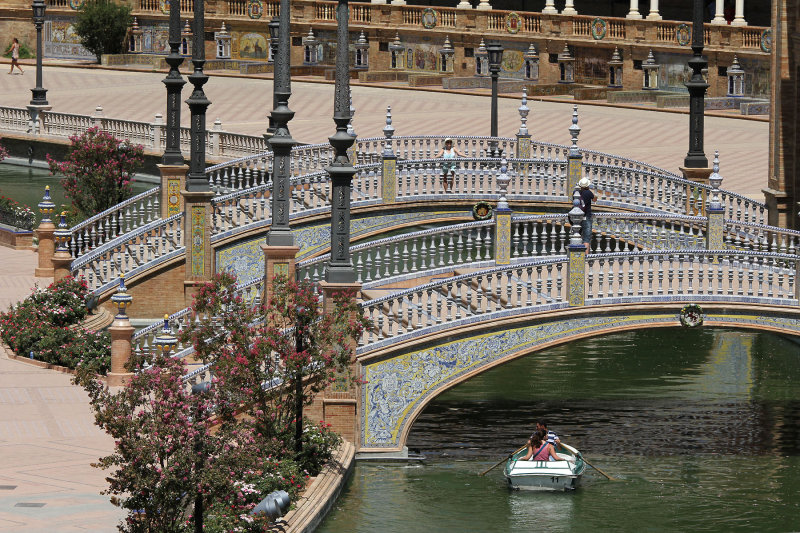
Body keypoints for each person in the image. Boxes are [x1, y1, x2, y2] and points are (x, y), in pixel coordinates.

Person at [578, 177, 595, 253]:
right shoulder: (588, 192)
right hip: (587, 217)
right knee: (586, 239)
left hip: (578, 217)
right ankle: (585, 257)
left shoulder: (577, 192)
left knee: (577, 236)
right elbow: (594, 199)